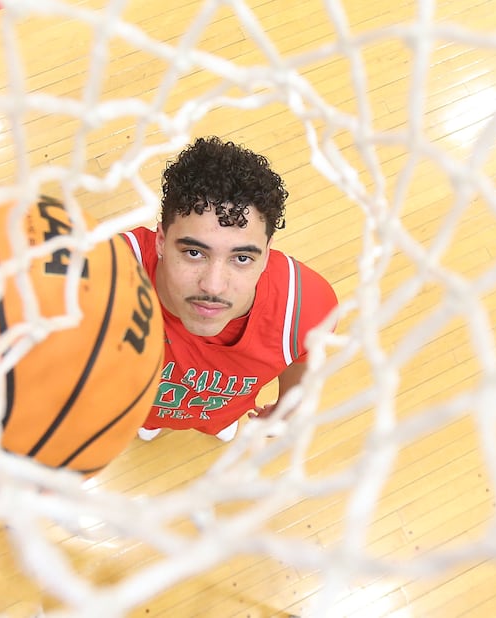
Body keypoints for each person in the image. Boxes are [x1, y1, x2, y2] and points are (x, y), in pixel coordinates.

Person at [121, 136, 338, 442]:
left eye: (242, 258)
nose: (213, 285)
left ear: (266, 253)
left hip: (222, 410)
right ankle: (150, 421)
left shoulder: (306, 307)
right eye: (194, 253)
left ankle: (218, 422)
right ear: (160, 241)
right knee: (145, 419)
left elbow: (301, 363)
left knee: (218, 424)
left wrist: (286, 412)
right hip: (139, 405)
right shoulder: (108, 273)